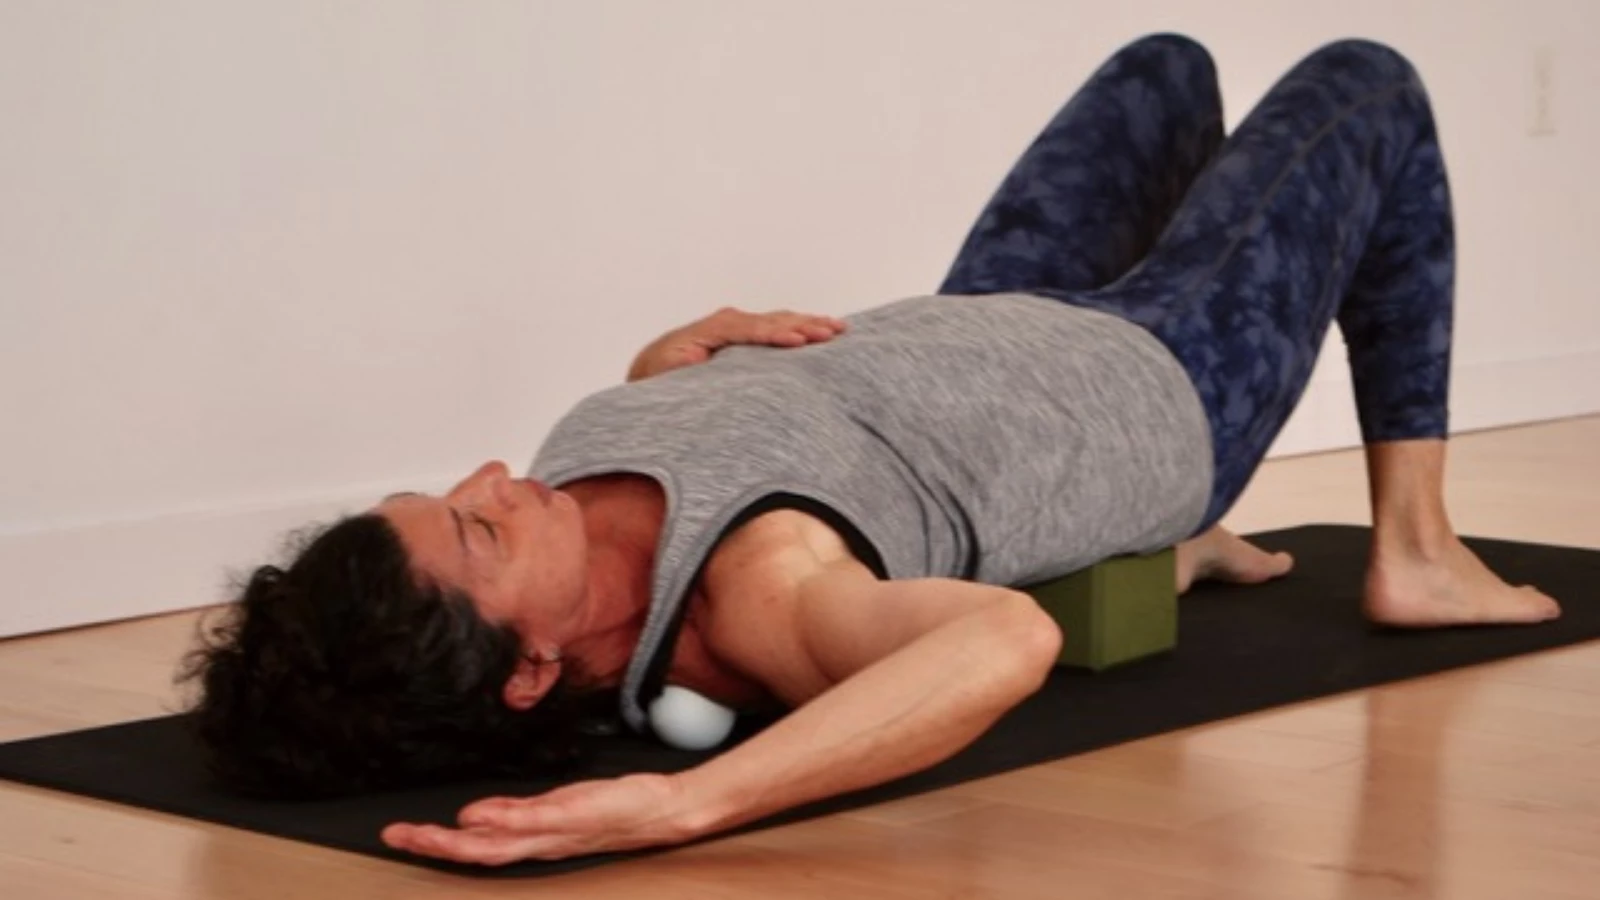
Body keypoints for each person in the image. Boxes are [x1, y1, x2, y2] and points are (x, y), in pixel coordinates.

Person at [184, 34, 1561, 865]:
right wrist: (685, 807)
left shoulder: (568, 483)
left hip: (990, 327)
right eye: (479, 530)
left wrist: (671, 359)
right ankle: (1417, 549)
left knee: (1165, 72)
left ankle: (1160, 549)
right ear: (534, 666)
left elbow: (681, 415)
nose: (495, 477)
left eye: (453, 492)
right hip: (1151, 386)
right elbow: (998, 646)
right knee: (1367, 89)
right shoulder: (765, 593)